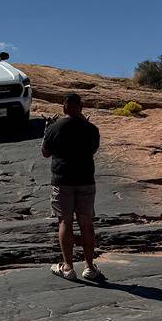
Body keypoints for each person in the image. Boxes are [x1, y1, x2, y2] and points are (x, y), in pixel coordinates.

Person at [41, 92, 105, 283]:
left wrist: (46, 130)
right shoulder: (91, 129)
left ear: (64, 107)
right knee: (86, 223)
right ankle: (90, 267)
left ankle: (68, 267)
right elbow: (93, 150)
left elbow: (45, 152)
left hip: (62, 182)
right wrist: (85, 123)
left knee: (65, 222)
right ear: (81, 108)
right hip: (85, 181)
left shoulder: (54, 128)